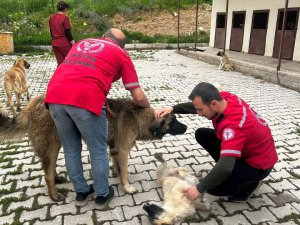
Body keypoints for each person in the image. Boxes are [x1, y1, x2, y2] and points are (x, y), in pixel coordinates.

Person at [45, 28, 151, 209]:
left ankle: (81, 193)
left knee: (71, 150)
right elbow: (138, 96)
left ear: (103, 37)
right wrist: (150, 110)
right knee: (98, 151)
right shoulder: (121, 54)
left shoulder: (81, 43)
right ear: (122, 46)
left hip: (54, 97)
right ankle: (102, 195)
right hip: (85, 99)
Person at [156, 82, 278, 202]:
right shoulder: (225, 98)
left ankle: (250, 185)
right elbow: (197, 105)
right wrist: (173, 109)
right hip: (249, 150)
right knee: (202, 134)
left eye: (200, 110)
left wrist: (199, 189)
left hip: (258, 165)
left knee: (215, 188)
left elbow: (225, 167)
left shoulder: (233, 127)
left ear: (213, 104)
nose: (198, 114)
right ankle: (233, 169)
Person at [49, 1, 75, 66]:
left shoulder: (51, 18)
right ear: (65, 9)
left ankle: (61, 75)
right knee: (72, 61)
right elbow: (67, 32)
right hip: (64, 44)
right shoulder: (65, 18)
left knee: (60, 64)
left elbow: (51, 32)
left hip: (55, 44)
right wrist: (73, 42)